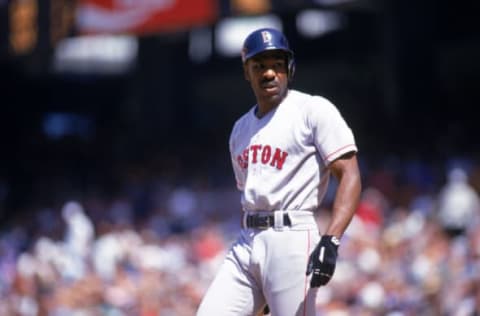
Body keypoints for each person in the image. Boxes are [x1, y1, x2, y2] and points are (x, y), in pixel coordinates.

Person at [196, 28, 361, 316]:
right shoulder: (240, 130)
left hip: (292, 236)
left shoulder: (312, 109)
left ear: (290, 68)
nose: (269, 73)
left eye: (277, 64)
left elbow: (349, 174)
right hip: (248, 238)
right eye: (259, 65)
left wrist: (332, 239)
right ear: (247, 72)